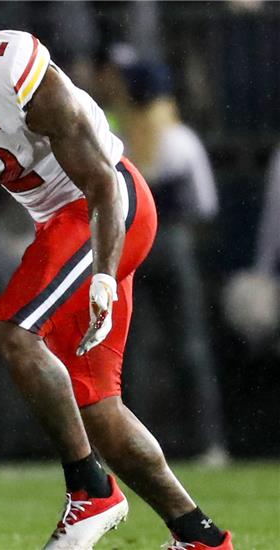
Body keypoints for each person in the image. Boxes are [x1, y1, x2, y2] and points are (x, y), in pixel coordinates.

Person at [0, 2, 232, 549]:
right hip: (61, 223)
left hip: (107, 208)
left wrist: (104, 275)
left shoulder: (11, 65)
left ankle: (90, 490)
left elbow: (102, 183)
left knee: (12, 331)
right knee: (98, 408)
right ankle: (200, 537)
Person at [116, 61, 229, 466]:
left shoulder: (119, 139)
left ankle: (131, 445)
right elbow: (206, 204)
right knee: (189, 345)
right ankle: (207, 442)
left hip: (132, 245)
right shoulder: (181, 140)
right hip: (175, 243)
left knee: (130, 350)